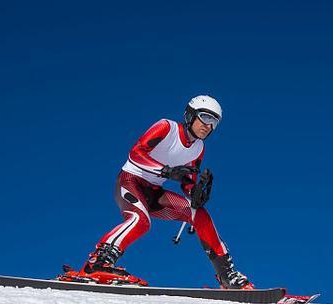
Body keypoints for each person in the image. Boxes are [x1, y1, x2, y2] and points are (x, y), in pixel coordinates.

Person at [62, 95, 253, 289]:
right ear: (190, 115)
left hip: (154, 192)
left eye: (214, 122)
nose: (208, 126)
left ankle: (227, 275)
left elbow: (187, 180)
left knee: (199, 215)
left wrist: (195, 193)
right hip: (131, 181)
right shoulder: (166, 127)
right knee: (140, 221)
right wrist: (166, 171)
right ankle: (97, 263)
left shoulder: (198, 148)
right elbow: (136, 153)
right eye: (205, 118)